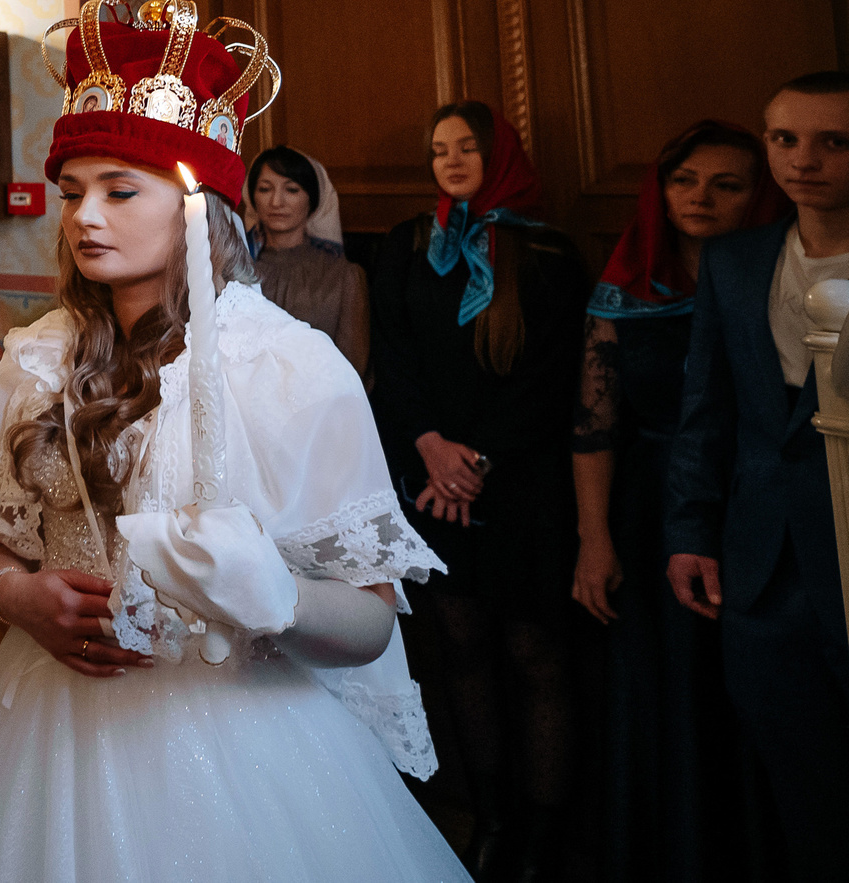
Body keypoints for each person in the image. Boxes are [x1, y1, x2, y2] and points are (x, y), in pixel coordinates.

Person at [0, 0, 461, 883]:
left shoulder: (291, 368)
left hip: (238, 742)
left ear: (199, 207)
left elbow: (373, 622)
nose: (82, 217)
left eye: (118, 189)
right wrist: (18, 597)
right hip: (49, 724)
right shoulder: (39, 357)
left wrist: (277, 596)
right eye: (72, 191)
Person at [370, 100, 588, 882]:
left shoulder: (550, 252)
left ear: (499, 155)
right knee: (458, 646)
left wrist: (479, 460)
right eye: (439, 149)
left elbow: (552, 375)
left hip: (522, 483)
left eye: (467, 147)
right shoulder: (408, 245)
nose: (451, 160)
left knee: (536, 652)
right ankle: (492, 820)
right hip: (432, 485)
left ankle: (543, 835)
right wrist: (432, 448)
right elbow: (391, 357)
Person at [573, 119, 788, 882]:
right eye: (685, 180)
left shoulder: (782, 280)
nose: (700, 197)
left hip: (765, 500)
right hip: (648, 506)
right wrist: (594, 539)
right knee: (666, 689)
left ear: (758, 193)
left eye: (726, 184)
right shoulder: (625, 281)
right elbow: (594, 427)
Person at [665, 72, 849, 882]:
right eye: (785, 139)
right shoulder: (737, 261)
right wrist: (691, 531)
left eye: (833, 141)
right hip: (762, 560)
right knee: (802, 780)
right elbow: (708, 406)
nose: (804, 159)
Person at [247, 145, 369, 376]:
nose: (276, 202)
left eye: (291, 189)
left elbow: (353, 369)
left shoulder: (343, 276)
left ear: (312, 199)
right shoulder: (234, 271)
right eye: (265, 189)